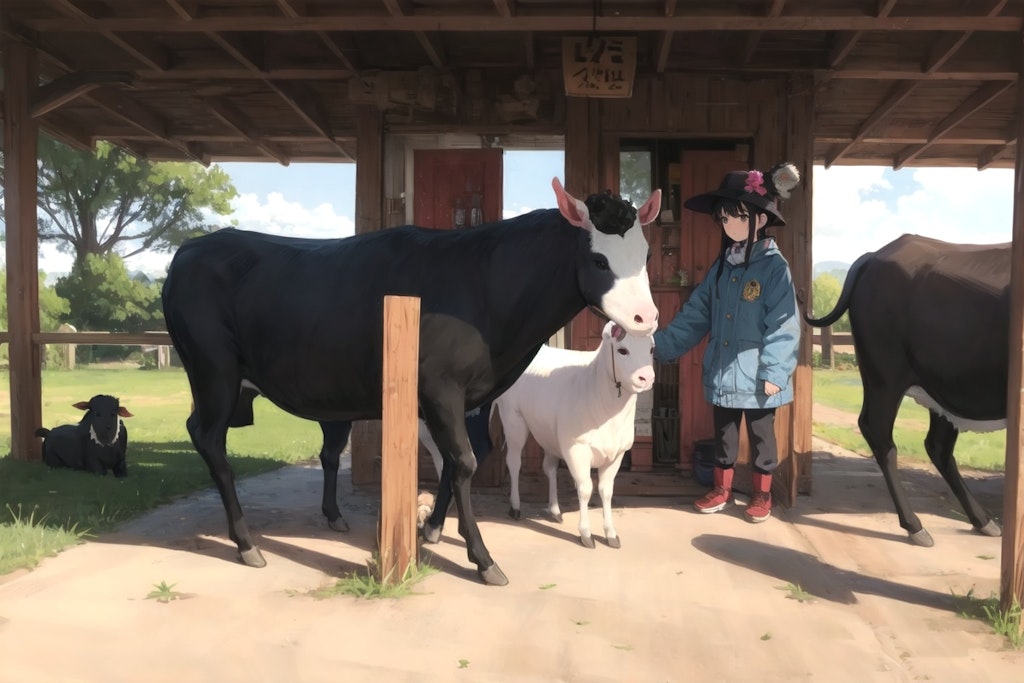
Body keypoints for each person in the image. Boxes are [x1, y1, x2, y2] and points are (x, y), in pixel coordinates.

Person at [654, 162, 801, 523]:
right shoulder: (723, 267)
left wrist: (775, 372)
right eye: (724, 218)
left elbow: (784, 324)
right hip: (722, 373)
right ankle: (721, 489)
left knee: (762, 437)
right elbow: (696, 314)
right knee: (724, 435)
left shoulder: (774, 268)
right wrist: (660, 345)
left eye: (737, 216)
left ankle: (762, 495)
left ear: (760, 219)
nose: (729, 225)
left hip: (759, 377)